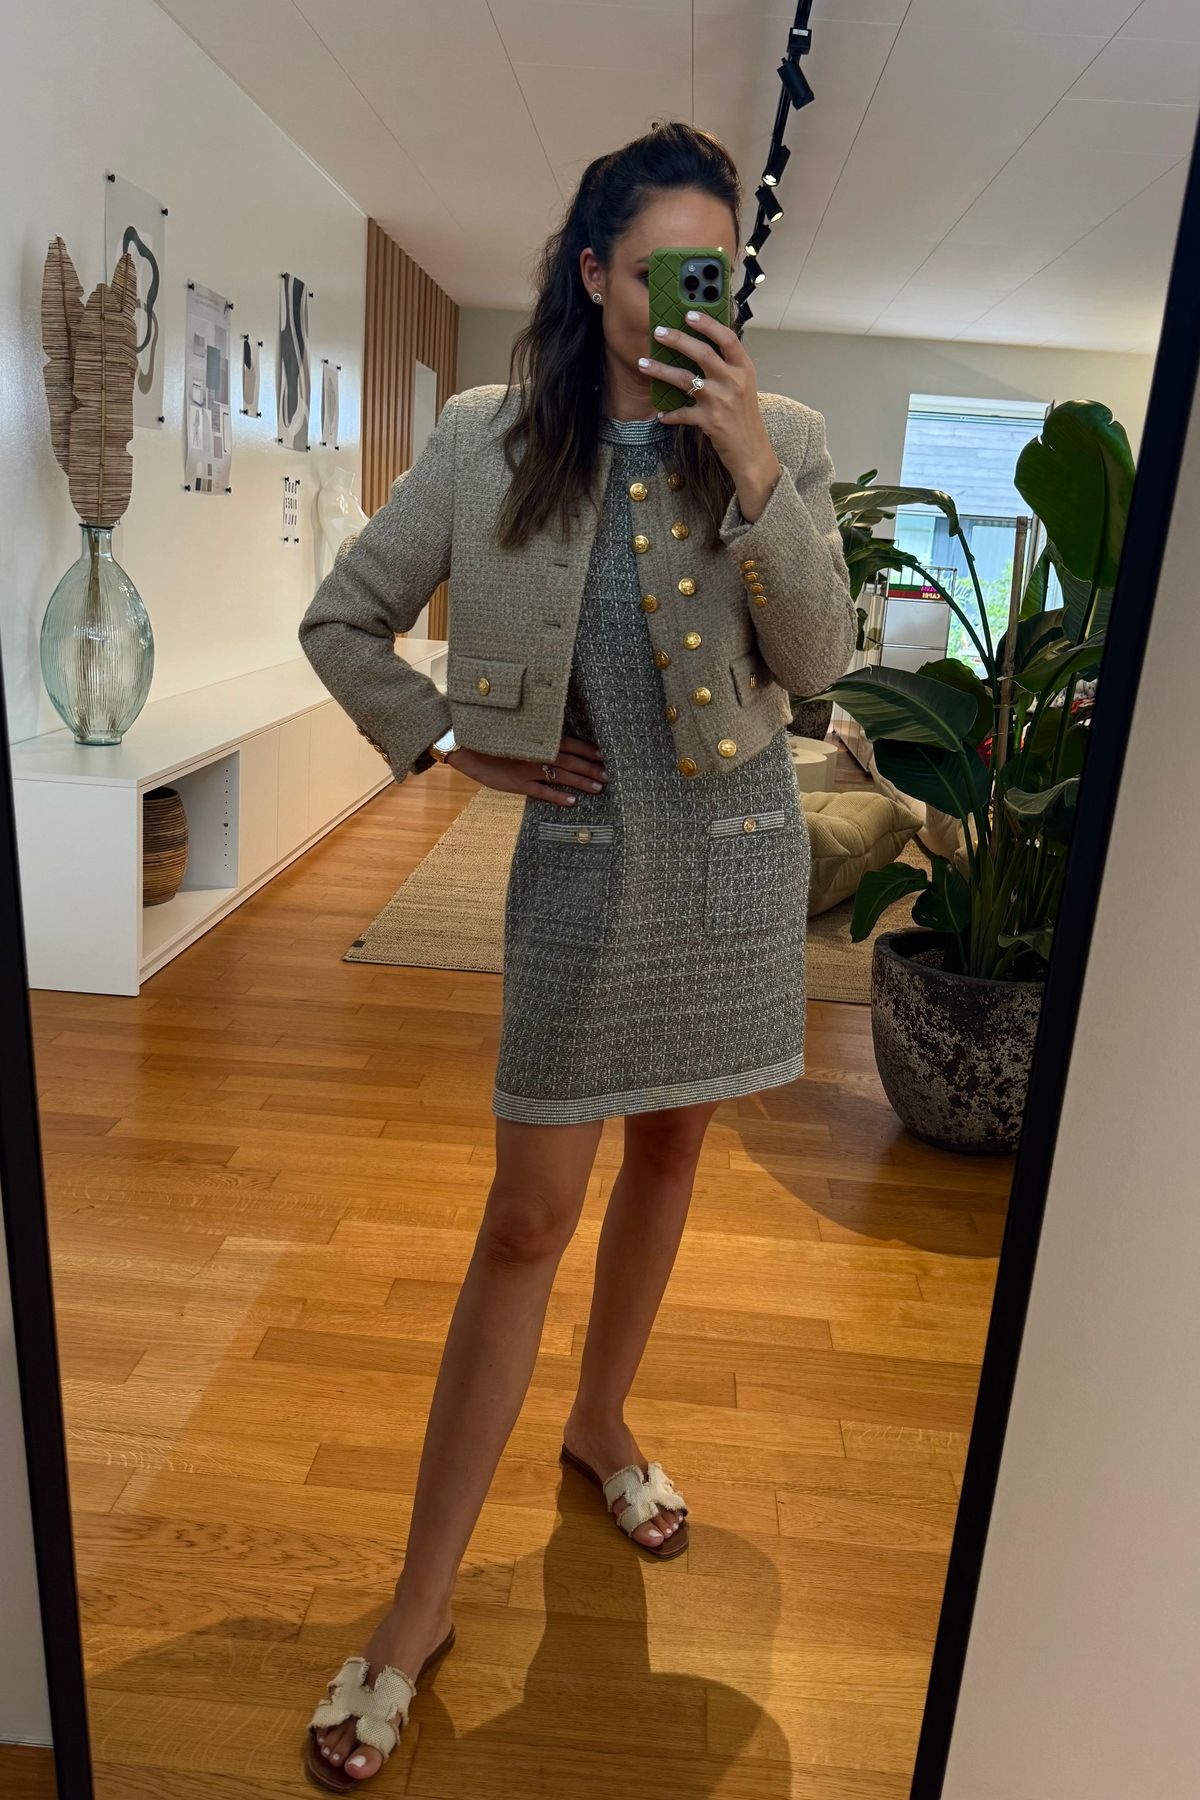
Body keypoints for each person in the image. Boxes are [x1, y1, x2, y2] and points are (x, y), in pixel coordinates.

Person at [297, 120, 855, 1788]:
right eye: (667, 266)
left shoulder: (783, 434)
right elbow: (342, 617)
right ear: (597, 271)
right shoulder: (487, 438)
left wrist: (749, 463)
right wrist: (453, 741)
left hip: (737, 867)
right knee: (527, 1218)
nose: (696, 295)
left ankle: (603, 1420)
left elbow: (822, 659)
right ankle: (419, 1607)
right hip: (582, 874)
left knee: (674, 1152)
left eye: (718, 270)